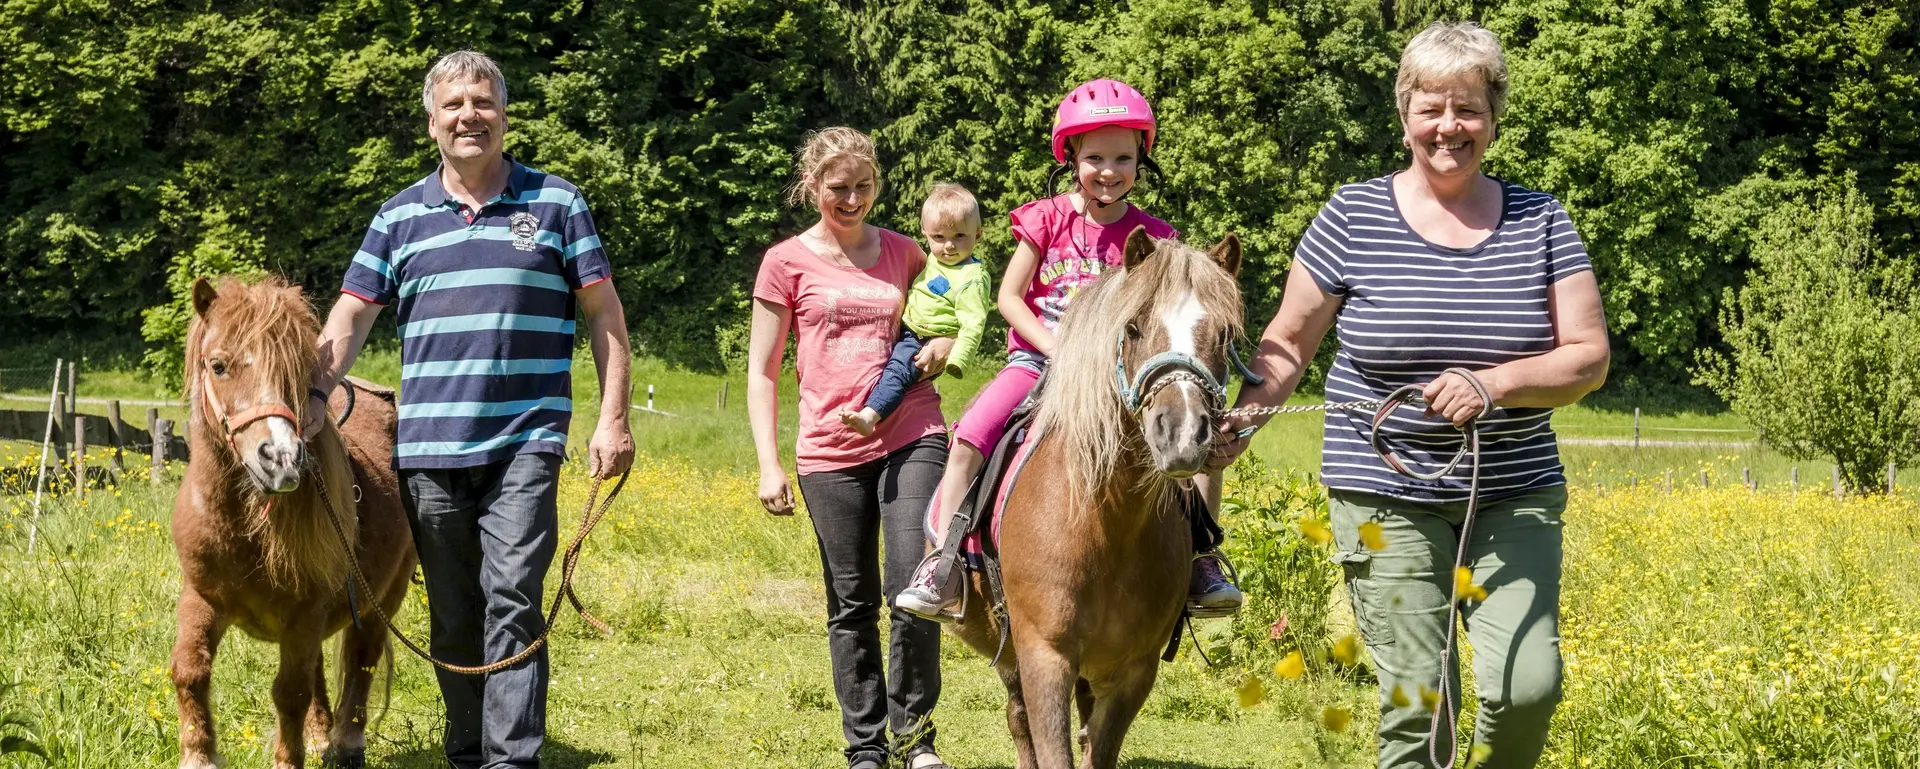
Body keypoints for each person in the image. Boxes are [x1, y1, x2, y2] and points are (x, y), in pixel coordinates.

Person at [1209, 22, 1609, 769]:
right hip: (1381, 493)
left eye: (1468, 109)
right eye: (1431, 108)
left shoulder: (1542, 221)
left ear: (1493, 117)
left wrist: (1494, 384)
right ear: (1404, 116)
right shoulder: (1352, 216)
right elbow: (1289, 343)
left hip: (1510, 491)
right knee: (1421, 708)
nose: (1449, 127)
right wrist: (1244, 417)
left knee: (1527, 687)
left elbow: (1589, 357)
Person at [304, 51, 636, 769]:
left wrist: (613, 418)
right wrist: (308, 391)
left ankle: (509, 760)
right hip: (427, 451)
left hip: (526, 442)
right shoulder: (399, 216)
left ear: (504, 114)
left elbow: (603, 311)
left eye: (482, 102)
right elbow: (353, 315)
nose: (469, 116)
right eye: (453, 105)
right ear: (432, 122)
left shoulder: (556, 203)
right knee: (454, 616)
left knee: (512, 595)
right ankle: (467, 752)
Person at [896, 78, 1243, 621]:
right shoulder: (1046, 220)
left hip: (1120, 376)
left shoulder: (1153, 237)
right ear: (1071, 156)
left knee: (1201, 442)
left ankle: (1201, 556)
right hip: (1039, 361)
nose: (1109, 170)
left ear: (1140, 161)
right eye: (1095, 156)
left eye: (1123, 157)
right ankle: (942, 565)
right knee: (969, 436)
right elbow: (1010, 298)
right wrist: (1056, 348)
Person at [747, 127, 951, 769]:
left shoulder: (907, 254)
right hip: (828, 450)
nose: (853, 198)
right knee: (852, 600)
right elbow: (763, 370)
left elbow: (942, 319)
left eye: (864, 186)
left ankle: (915, 740)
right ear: (812, 187)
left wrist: (943, 348)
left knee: (912, 586)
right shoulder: (785, 262)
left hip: (911, 430)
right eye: (839, 188)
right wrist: (768, 463)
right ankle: (866, 747)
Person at [838, 183, 993, 437]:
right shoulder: (933, 259)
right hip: (911, 329)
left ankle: (869, 416)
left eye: (960, 237)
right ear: (925, 232)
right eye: (939, 237)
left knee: (897, 373)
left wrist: (957, 359)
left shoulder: (971, 278)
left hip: (924, 340)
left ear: (978, 234)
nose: (949, 246)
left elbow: (973, 324)